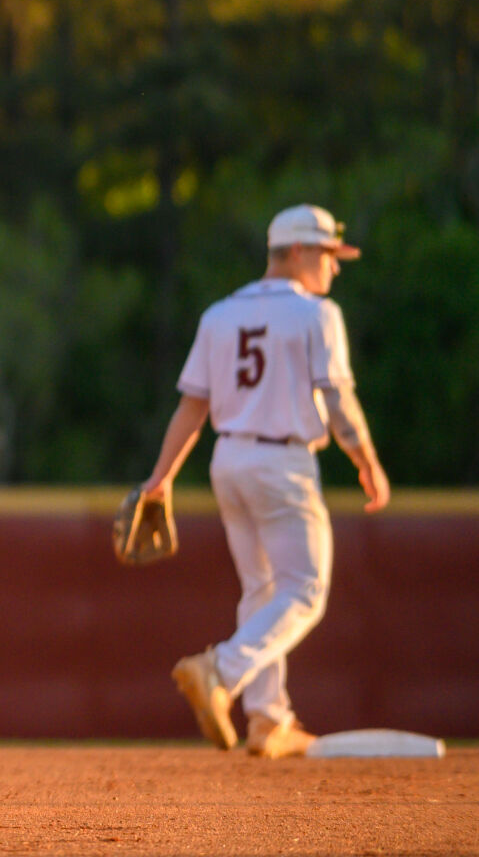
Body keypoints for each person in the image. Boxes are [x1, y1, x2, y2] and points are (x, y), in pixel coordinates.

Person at [137, 204, 389, 759]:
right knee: (305, 589)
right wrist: (365, 459)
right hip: (283, 462)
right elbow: (339, 400)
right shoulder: (316, 315)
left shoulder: (220, 314)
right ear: (298, 252)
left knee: (263, 590)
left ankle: (268, 719)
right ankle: (220, 670)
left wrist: (161, 478)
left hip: (228, 460)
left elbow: (192, 408)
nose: (334, 268)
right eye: (327, 255)